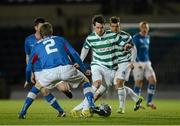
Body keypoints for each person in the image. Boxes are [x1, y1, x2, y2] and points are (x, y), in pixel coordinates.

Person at [25, 22, 106, 117]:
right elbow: (74, 53)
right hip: (66, 68)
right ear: (52, 31)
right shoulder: (60, 39)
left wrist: (27, 79)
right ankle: (91, 105)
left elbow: (29, 66)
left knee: (36, 88)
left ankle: (23, 112)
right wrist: (83, 69)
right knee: (85, 82)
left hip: (48, 72)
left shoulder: (36, 46)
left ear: (41, 33)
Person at [71, 15, 143, 117]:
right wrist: (80, 61)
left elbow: (125, 44)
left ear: (104, 26)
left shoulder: (113, 35)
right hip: (97, 65)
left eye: (101, 27)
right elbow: (85, 50)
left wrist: (127, 46)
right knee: (97, 82)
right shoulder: (90, 38)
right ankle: (86, 109)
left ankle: (77, 109)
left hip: (111, 68)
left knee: (104, 91)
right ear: (93, 26)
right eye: (97, 27)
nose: (100, 30)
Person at [18, 17, 72, 119]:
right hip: (38, 70)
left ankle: (67, 91)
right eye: (40, 26)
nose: (42, 28)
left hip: (51, 67)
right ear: (35, 27)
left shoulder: (49, 38)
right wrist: (31, 73)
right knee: (43, 90)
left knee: (64, 88)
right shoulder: (29, 40)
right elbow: (28, 57)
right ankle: (60, 111)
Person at [132, 21, 157, 109]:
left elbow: (145, 51)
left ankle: (149, 102)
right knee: (138, 83)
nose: (144, 29)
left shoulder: (148, 37)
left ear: (148, 28)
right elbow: (133, 51)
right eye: (143, 27)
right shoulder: (136, 37)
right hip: (138, 62)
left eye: (146, 27)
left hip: (147, 62)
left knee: (153, 80)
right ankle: (137, 103)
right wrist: (137, 62)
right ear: (140, 28)